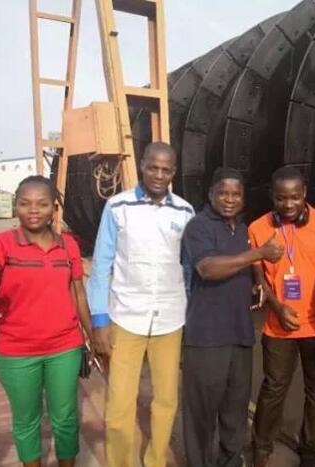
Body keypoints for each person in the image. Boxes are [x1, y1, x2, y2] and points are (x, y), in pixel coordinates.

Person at [86, 142, 194, 467]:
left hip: (170, 320)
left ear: (173, 172)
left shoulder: (185, 212)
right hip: (125, 318)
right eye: (153, 167)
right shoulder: (117, 207)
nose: (159, 175)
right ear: (142, 166)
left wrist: (191, 313)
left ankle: (155, 460)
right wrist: (99, 321)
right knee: (120, 404)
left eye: (166, 169)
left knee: (166, 400)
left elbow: (189, 267)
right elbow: (101, 265)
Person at [181, 167, 284, 467]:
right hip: (206, 338)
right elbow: (207, 268)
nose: (229, 199)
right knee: (201, 415)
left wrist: (257, 284)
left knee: (235, 411)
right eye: (223, 193)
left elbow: (244, 269)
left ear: (243, 198)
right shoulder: (198, 226)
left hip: (240, 335)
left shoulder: (241, 230)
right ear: (210, 194)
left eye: (236, 194)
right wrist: (259, 253)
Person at [249, 166, 315, 467]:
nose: (288, 204)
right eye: (281, 198)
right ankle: (261, 448)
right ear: (272, 196)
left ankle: (311, 453)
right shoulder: (258, 228)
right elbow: (259, 279)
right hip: (279, 326)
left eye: (294, 197)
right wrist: (277, 307)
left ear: (304, 193)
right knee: (273, 388)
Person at [0, 176, 93, 467]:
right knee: (27, 421)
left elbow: (78, 292)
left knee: (65, 418)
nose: (33, 210)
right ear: (16, 206)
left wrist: (93, 335)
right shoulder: (2, 244)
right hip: (16, 351)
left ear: (54, 207)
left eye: (42, 204)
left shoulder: (68, 246)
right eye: (25, 204)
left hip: (64, 347)